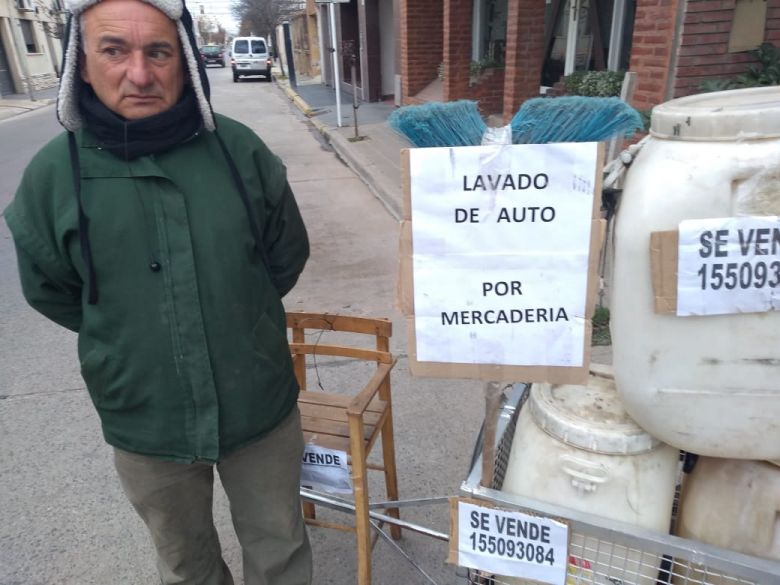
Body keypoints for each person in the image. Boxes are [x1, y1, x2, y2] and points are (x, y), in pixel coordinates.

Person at [3, 0, 312, 583]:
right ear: (81, 61)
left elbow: (284, 257)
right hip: (146, 418)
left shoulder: (238, 151)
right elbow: (55, 291)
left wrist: (236, 320)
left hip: (259, 402)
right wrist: (131, 336)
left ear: (186, 60)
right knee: (185, 563)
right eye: (114, 49)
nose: (139, 74)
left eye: (159, 52)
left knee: (281, 548)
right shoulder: (52, 176)